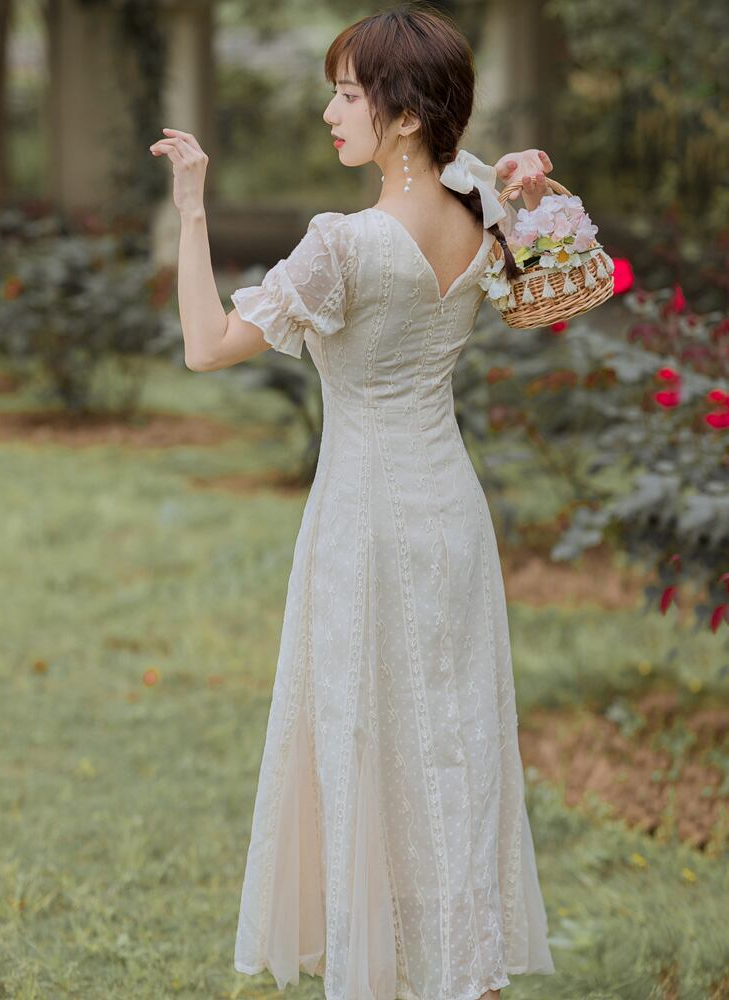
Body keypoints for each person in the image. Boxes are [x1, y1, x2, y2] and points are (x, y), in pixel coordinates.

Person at [150, 4, 557, 998]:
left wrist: (192, 205)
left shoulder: (344, 244)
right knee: (451, 742)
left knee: (367, 738)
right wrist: (533, 190)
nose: (330, 112)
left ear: (406, 114)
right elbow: (551, 290)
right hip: (451, 515)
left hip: (366, 523)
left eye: (346, 94)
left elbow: (205, 346)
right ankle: (462, 971)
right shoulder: (478, 207)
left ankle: (382, 969)